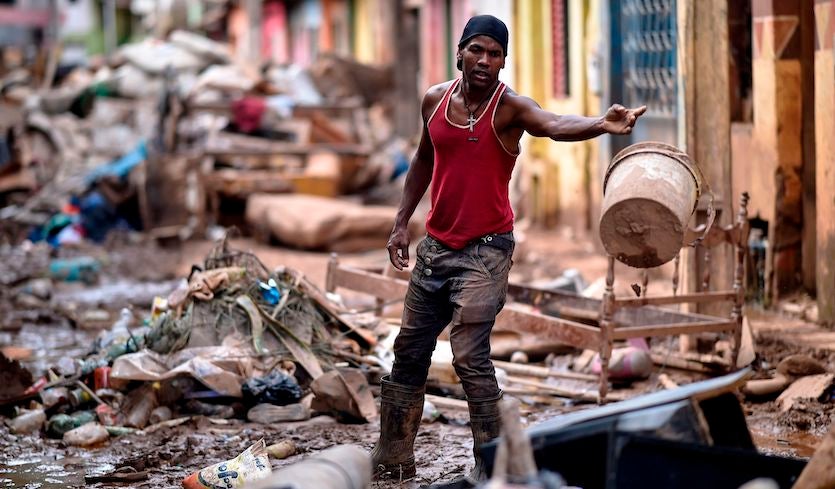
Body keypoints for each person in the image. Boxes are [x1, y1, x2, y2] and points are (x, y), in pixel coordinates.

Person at [370, 14, 646, 483]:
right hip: (436, 247)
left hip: (487, 250)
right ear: (460, 51)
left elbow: (554, 123)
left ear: (503, 60)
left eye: (494, 53)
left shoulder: (510, 108)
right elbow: (423, 160)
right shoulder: (434, 101)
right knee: (409, 352)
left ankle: (494, 468)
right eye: (476, 50)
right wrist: (401, 224)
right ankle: (394, 461)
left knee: (470, 356)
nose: (484, 60)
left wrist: (602, 123)